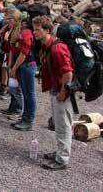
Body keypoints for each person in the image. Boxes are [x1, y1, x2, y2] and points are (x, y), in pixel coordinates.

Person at [32, 15, 74, 170]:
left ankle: (62, 159)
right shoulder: (47, 45)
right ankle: (60, 151)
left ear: (47, 30)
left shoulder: (57, 48)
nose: (34, 33)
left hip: (63, 90)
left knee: (63, 124)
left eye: (37, 30)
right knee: (58, 122)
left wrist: (64, 92)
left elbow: (68, 73)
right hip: (56, 88)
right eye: (34, 29)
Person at [6, 9, 37, 131]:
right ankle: (24, 116)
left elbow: (24, 53)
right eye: (7, 19)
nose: (8, 21)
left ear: (17, 20)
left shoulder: (26, 32)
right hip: (19, 65)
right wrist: (10, 65)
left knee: (29, 93)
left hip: (27, 65)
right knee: (24, 92)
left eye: (11, 19)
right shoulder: (14, 32)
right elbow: (12, 49)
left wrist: (14, 68)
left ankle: (29, 119)